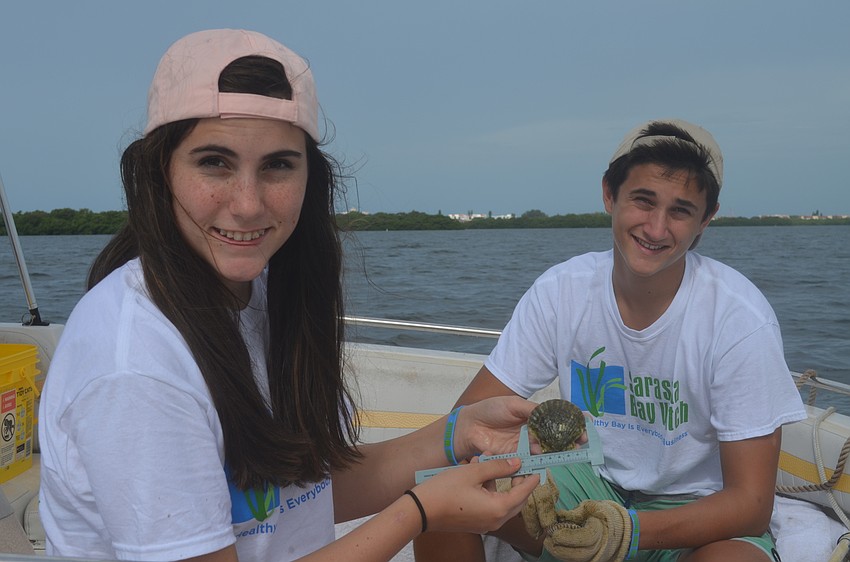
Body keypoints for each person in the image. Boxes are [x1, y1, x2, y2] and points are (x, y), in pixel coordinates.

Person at [37, 28, 542, 562]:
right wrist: (418, 513)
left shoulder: (253, 293)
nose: (249, 204)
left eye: (278, 164)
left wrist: (456, 435)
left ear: (310, 177)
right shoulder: (135, 367)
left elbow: (301, 496)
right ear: (160, 171)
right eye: (214, 162)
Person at [413, 119, 808, 562]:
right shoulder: (562, 291)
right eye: (643, 200)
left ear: (706, 220)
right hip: (584, 486)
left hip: (697, 512)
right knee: (441, 500)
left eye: (680, 210)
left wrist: (624, 531)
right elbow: (464, 425)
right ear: (609, 194)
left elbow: (751, 505)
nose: (657, 228)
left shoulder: (737, 318)